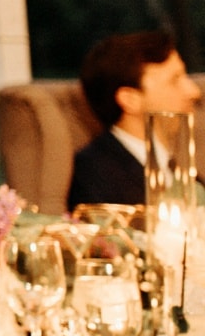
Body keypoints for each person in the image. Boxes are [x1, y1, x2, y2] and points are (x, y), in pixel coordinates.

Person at [69, 29, 203, 208]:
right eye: (174, 80)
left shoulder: (176, 167)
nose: (194, 91)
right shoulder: (94, 172)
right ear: (129, 99)